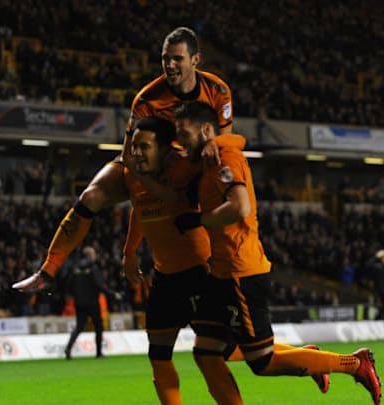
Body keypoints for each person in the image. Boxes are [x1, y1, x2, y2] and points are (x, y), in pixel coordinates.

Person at [172, 101, 382, 405]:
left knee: (261, 362)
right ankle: (307, 357)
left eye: (185, 134)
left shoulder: (224, 157)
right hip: (222, 272)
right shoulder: (209, 158)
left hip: (239, 272)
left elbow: (240, 206)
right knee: (209, 350)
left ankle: (353, 364)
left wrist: (199, 220)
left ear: (206, 130)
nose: (181, 141)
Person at [12, 26, 233, 293]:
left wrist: (207, 147)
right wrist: (151, 182)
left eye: (177, 59)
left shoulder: (218, 91)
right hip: (149, 161)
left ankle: (228, 261)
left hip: (192, 162)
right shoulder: (147, 98)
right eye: (165, 58)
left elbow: (224, 144)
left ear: (195, 60)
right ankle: (47, 271)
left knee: (218, 175)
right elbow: (130, 155)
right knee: (91, 196)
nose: (170, 65)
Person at [123, 117, 328, 404]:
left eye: (144, 146)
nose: (136, 153)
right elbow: (139, 206)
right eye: (133, 147)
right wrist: (129, 252)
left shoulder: (189, 165)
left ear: (164, 148)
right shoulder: (135, 174)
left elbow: (224, 172)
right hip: (164, 277)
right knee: (162, 353)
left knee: (224, 349)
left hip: (200, 270)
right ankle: (306, 359)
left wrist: (215, 143)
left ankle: (308, 360)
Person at [64, 246, 105, 359]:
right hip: (92, 302)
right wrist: (112, 294)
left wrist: (75, 296)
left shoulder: (75, 268)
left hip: (79, 302)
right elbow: (98, 285)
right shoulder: (93, 268)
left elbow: (69, 284)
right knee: (98, 326)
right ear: (91, 256)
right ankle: (99, 352)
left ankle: (68, 347)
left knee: (79, 326)